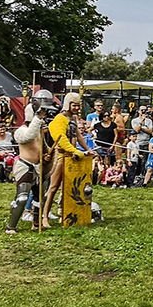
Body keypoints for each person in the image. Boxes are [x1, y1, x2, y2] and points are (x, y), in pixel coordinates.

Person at [5, 90, 56, 234]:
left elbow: (42, 147)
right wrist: (38, 118)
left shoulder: (39, 131)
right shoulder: (21, 130)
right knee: (22, 198)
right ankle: (11, 226)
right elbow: (28, 136)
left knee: (41, 197)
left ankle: (36, 223)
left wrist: (46, 156)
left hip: (38, 167)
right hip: (25, 166)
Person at [41, 92, 91, 229]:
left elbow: (78, 136)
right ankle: (44, 216)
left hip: (73, 156)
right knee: (53, 187)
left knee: (70, 186)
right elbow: (60, 139)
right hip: (61, 155)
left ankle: (66, 214)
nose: (77, 108)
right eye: (74, 105)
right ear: (68, 104)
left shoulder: (73, 118)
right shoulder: (60, 119)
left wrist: (87, 149)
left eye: (78, 105)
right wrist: (74, 151)